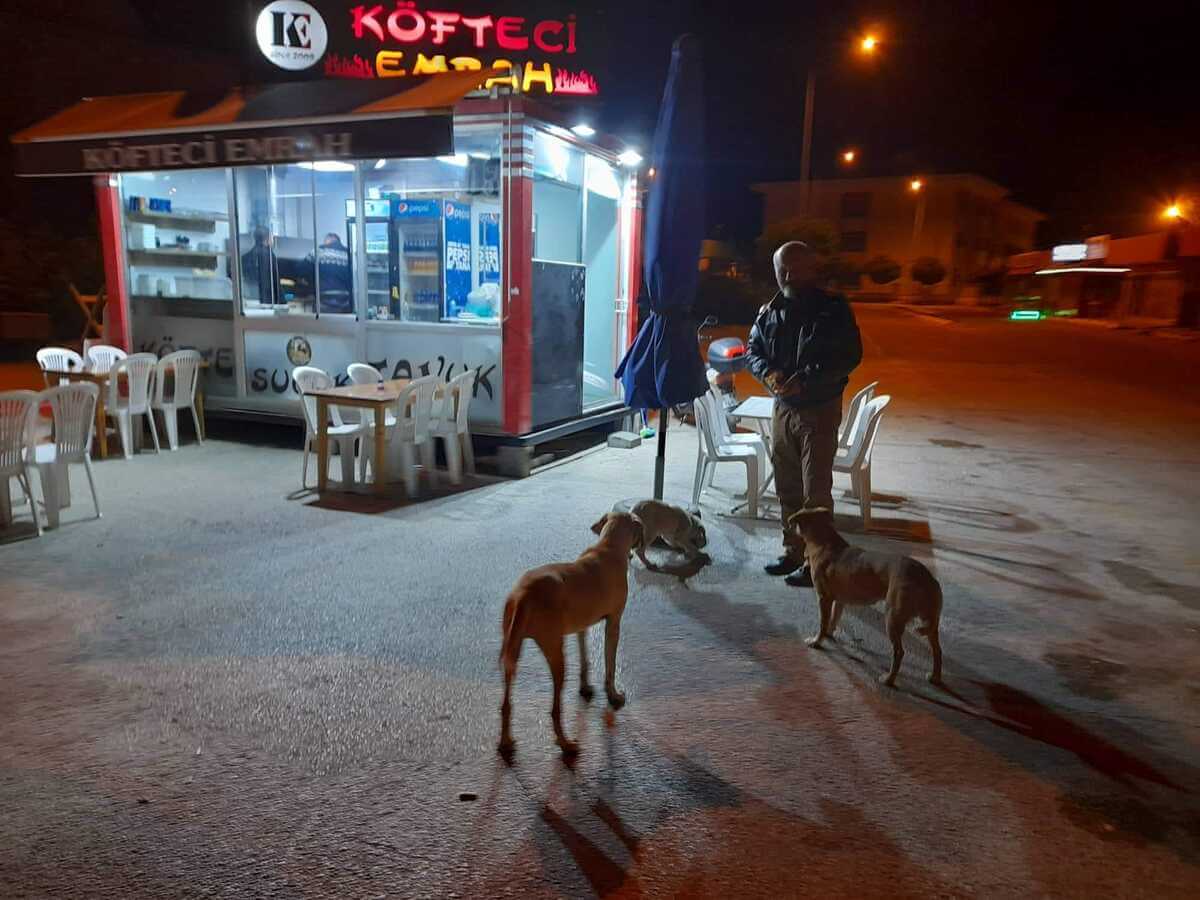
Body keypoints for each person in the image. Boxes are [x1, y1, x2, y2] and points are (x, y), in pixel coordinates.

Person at [746, 241, 863, 587]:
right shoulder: (770, 310)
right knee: (787, 485)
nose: (784, 274)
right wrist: (768, 373)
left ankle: (820, 561)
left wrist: (807, 378)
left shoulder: (833, 310)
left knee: (816, 490)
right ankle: (793, 550)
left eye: (791, 267)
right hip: (783, 408)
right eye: (781, 267)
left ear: (808, 269)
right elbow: (753, 349)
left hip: (819, 410)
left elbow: (849, 356)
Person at [239, 225, 278, 305]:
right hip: (266, 300)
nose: (272, 239)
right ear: (267, 239)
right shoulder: (269, 255)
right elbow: (274, 281)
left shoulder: (244, 257)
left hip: (249, 298)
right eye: (271, 237)